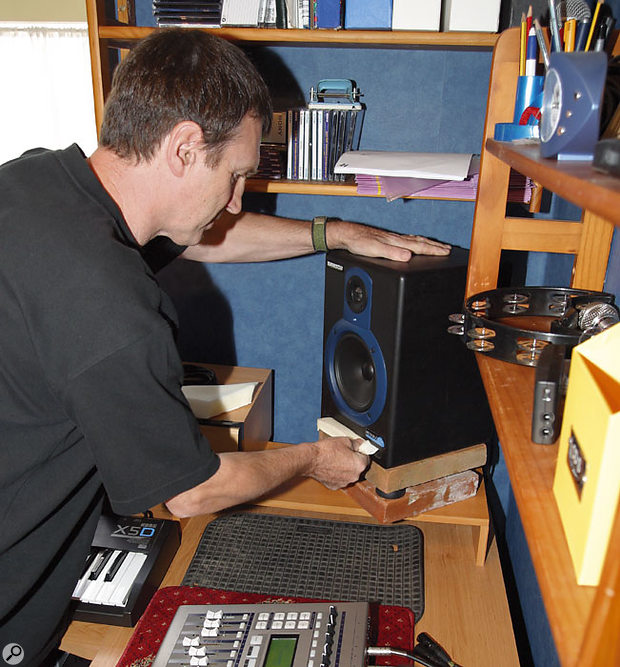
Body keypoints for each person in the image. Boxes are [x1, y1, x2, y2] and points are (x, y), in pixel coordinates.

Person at [0, 28, 450, 666]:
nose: (238, 200)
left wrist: (335, 232)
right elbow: (192, 493)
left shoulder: (40, 182)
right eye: (237, 174)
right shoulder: (111, 308)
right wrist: (311, 460)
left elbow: (200, 234)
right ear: (184, 145)